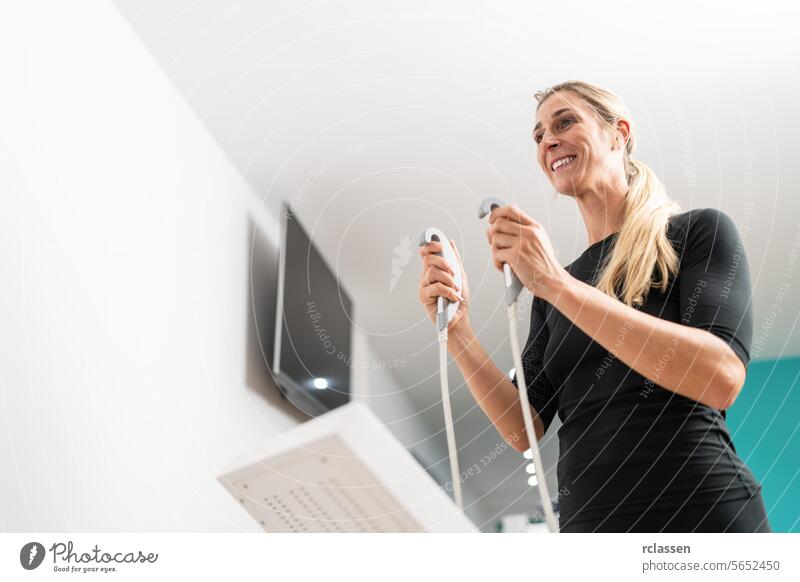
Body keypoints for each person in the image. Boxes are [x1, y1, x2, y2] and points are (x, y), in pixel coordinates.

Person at [417, 80, 770, 533]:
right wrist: (460, 330)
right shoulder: (554, 289)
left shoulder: (696, 234)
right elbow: (522, 427)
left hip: (702, 510)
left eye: (565, 123)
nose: (549, 141)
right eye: (539, 135)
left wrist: (556, 284)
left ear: (619, 133)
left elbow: (720, 377)